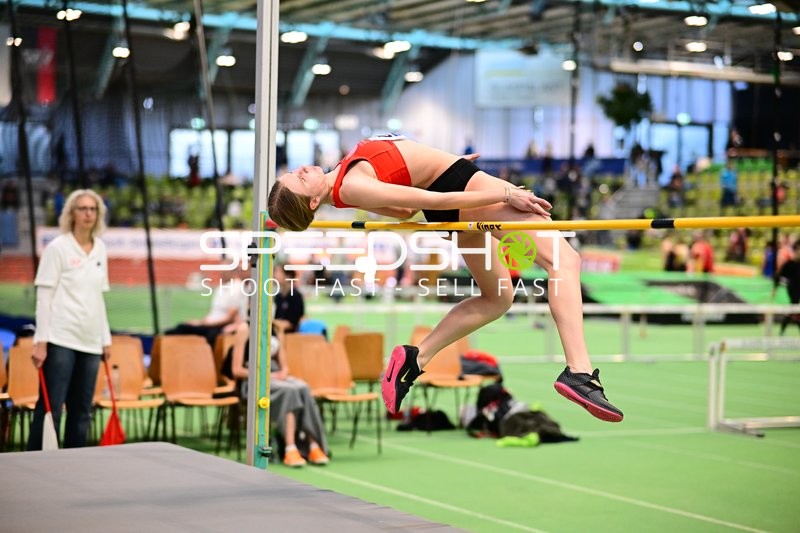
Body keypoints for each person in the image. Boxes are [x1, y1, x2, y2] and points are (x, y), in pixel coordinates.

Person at [268, 133, 623, 423]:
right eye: (299, 179)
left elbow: (406, 208)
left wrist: (442, 162)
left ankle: (416, 358)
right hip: (461, 190)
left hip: (456, 185)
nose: (301, 168)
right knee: (564, 260)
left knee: (498, 297)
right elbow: (427, 199)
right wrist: (504, 192)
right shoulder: (352, 185)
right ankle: (579, 370)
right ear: (313, 203)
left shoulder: (345, 177)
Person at [28, 189, 112, 449]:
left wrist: (105, 340)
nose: (88, 214)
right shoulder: (58, 248)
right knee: (51, 407)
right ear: (71, 214)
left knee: (82, 411)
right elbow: (44, 297)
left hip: (90, 343)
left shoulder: (101, 249)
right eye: (82, 208)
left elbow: (98, 298)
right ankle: (36, 463)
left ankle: (75, 466)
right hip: (60, 339)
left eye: (93, 209)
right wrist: (40, 341)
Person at [222, 322, 330, 467]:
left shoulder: (276, 328)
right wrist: (266, 376)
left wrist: (281, 373)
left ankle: (313, 445)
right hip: (252, 379)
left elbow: (284, 366)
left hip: (274, 376)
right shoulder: (245, 328)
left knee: (303, 387)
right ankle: (290, 448)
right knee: (289, 391)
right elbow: (236, 370)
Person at [166, 270, 247, 348]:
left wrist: (202, 324)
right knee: (173, 330)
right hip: (210, 324)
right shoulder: (222, 287)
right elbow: (212, 312)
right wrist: (199, 322)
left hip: (217, 326)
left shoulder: (237, 288)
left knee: (181, 329)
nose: (220, 273)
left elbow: (229, 317)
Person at [772, 240, 800, 335]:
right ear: (796, 250)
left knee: (794, 310)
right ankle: (782, 330)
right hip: (792, 289)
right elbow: (778, 276)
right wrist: (775, 289)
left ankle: (782, 330)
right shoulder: (789, 264)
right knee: (794, 307)